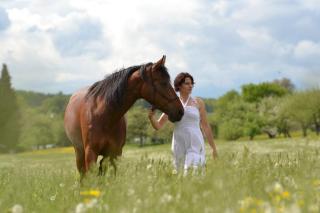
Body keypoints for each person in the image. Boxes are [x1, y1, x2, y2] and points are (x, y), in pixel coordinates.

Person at [148, 72, 217, 174]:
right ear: (179, 85)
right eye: (187, 83)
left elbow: (205, 126)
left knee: (193, 172)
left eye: (191, 84)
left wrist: (213, 148)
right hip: (178, 143)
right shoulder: (172, 104)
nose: (190, 86)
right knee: (180, 174)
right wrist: (151, 117)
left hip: (195, 142)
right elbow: (158, 126)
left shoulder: (198, 102)